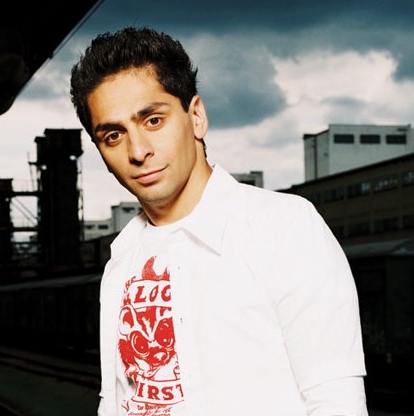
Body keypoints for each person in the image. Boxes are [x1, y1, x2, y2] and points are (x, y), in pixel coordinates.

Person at [70, 26, 368, 416]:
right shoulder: (122, 259)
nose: (138, 151)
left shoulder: (283, 229)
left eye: (153, 121)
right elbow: (117, 402)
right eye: (113, 135)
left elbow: (336, 402)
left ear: (196, 117)